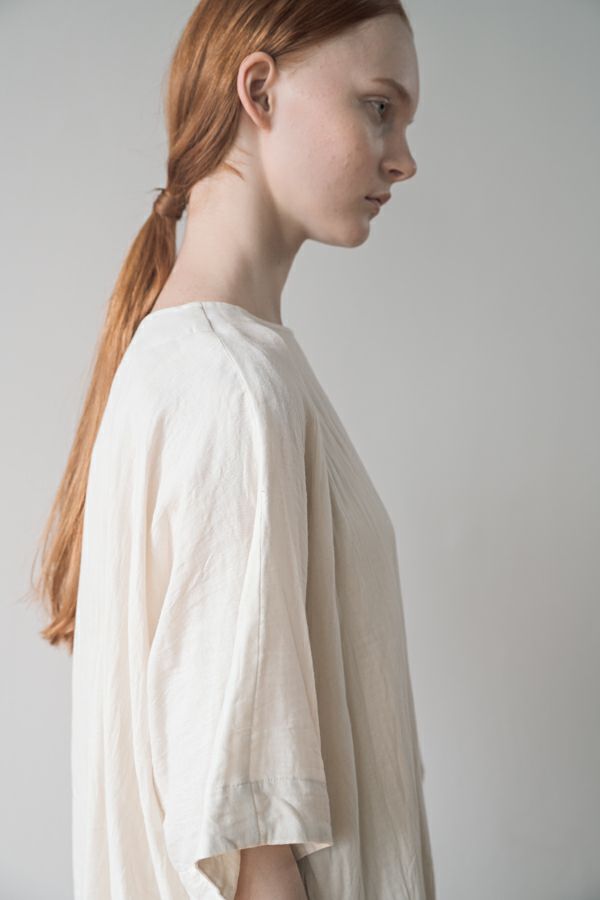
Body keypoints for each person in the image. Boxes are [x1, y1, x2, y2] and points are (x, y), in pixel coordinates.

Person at [32, 1, 435, 897]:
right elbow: (253, 843)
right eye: (379, 106)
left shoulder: (201, 364)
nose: (404, 157)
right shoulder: (230, 386)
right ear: (259, 90)